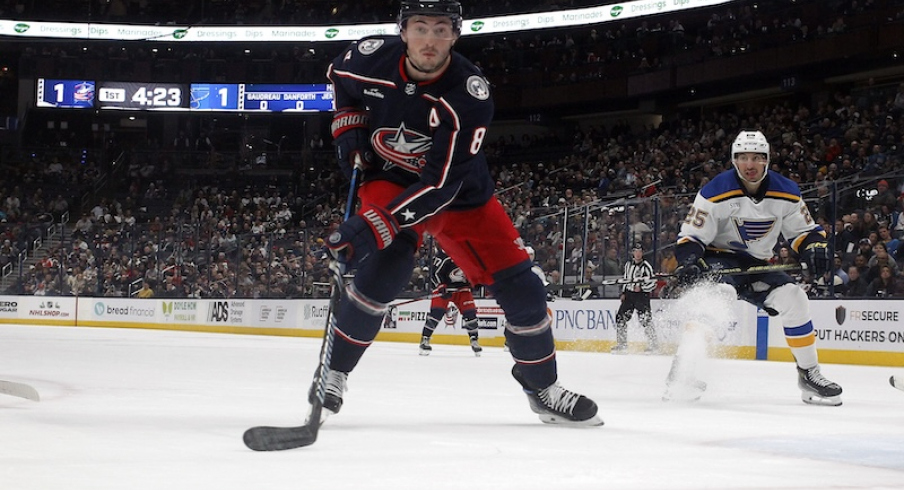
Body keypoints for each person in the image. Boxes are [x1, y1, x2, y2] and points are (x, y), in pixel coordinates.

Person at [320, 0, 601, 426]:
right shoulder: (366, 57)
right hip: (390, 177)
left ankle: (542, 387)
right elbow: (340, 81)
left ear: (456, 34)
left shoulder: (469, 94)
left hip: (459, 195)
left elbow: (440, 184)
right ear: (403, 31)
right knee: (385, 270)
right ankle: (334, 373)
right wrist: (349, 127)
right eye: (420, 28)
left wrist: (372, 225)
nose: (429, 40)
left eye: (440, 29)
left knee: (524, 293)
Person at [670, 130, 842, 406]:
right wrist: (690, 261)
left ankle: (809, 375)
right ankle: (682, 373)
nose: (750, 164)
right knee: (719, 295)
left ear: (767, 160)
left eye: (757, 158)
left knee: (795, 299)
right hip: (718, 258)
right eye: (743, 158)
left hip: (757, 264)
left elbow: (805, 232)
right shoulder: (714, 190)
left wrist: (813, 246)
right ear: (734, 161)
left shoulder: (786, 191)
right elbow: (690, 238)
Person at [419, 247, 482, 356]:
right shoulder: (444, 255)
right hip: (444, 289)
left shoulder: (469, 254)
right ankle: (425, 339)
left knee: (470, 313)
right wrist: (441, 287)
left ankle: (474, 340)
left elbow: (475, 271)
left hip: (462, 288)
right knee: (436, 313)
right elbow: (434, 274)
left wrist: (476, 282)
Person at [611, 244, 658, 354]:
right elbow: (626, 279)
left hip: (642, 296)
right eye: (636, 251)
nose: (637, 253)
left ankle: (653, 345)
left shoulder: (646, 266)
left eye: (640, 251)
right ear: (633, 252)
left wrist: (642, 287)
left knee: (645, 319)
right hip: (629, 295)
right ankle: (622, 344)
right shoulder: (628, 265)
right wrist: (623, 292)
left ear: (642, 253)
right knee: (620, 317)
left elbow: (653, 283)